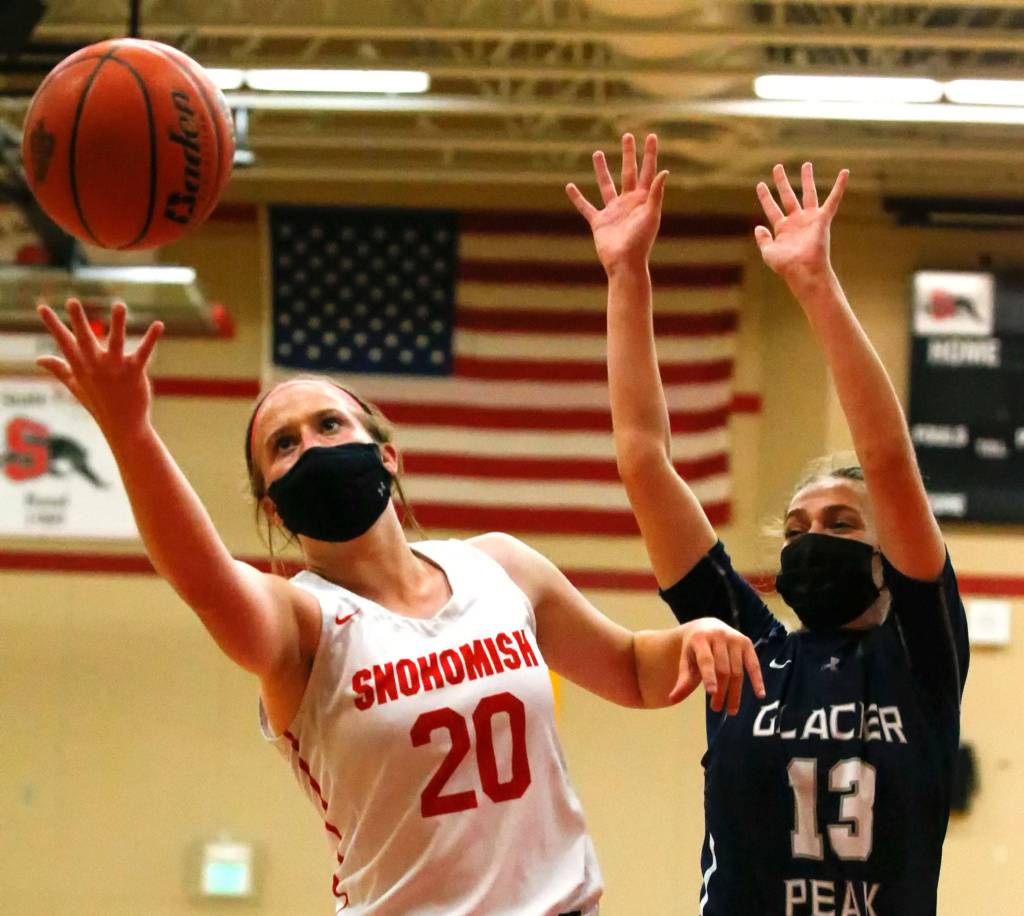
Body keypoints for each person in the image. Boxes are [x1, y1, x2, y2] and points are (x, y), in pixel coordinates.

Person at [35, 298, 764, 915]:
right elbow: (199, 574)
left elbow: (634, 672)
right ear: (273, 505)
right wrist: (131, 434)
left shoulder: (498, 565)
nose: (311, 446)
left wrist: (694, 635)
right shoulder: (300, 623)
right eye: (282, 445)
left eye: (330, 425)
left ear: (387, 455)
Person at [567, 134, 969, 915]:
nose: (814, 535)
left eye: (840, 523)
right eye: (796, 526)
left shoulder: (922, 658)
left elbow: (886, 459)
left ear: (888, 554)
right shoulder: (743, 653)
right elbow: (644, 462)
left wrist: (817, 288)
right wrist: (626, 276)